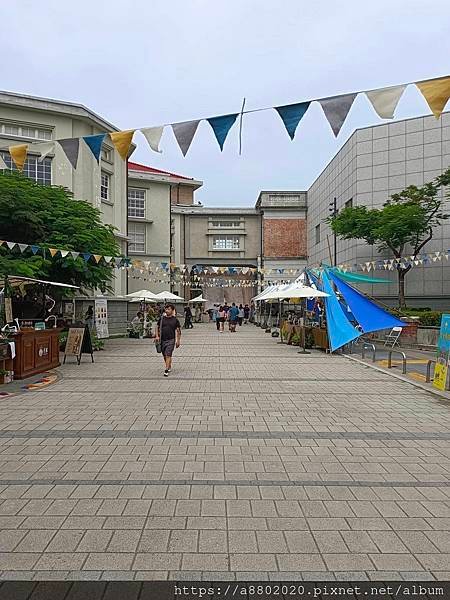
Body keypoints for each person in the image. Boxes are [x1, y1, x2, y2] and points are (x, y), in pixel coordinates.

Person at [155, 304, 181, 377]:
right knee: (164, 355)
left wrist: (178, 341)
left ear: (172, 310)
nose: (167, 311)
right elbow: (157, 327)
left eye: (169, 309)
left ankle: (166, 370)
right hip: (162, 340)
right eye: (166, 309)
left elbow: (178, 331)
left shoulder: (175, 320)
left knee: (168, 354)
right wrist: (157, 336)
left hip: (171, 340)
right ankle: (168, 365)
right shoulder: (162, 318)